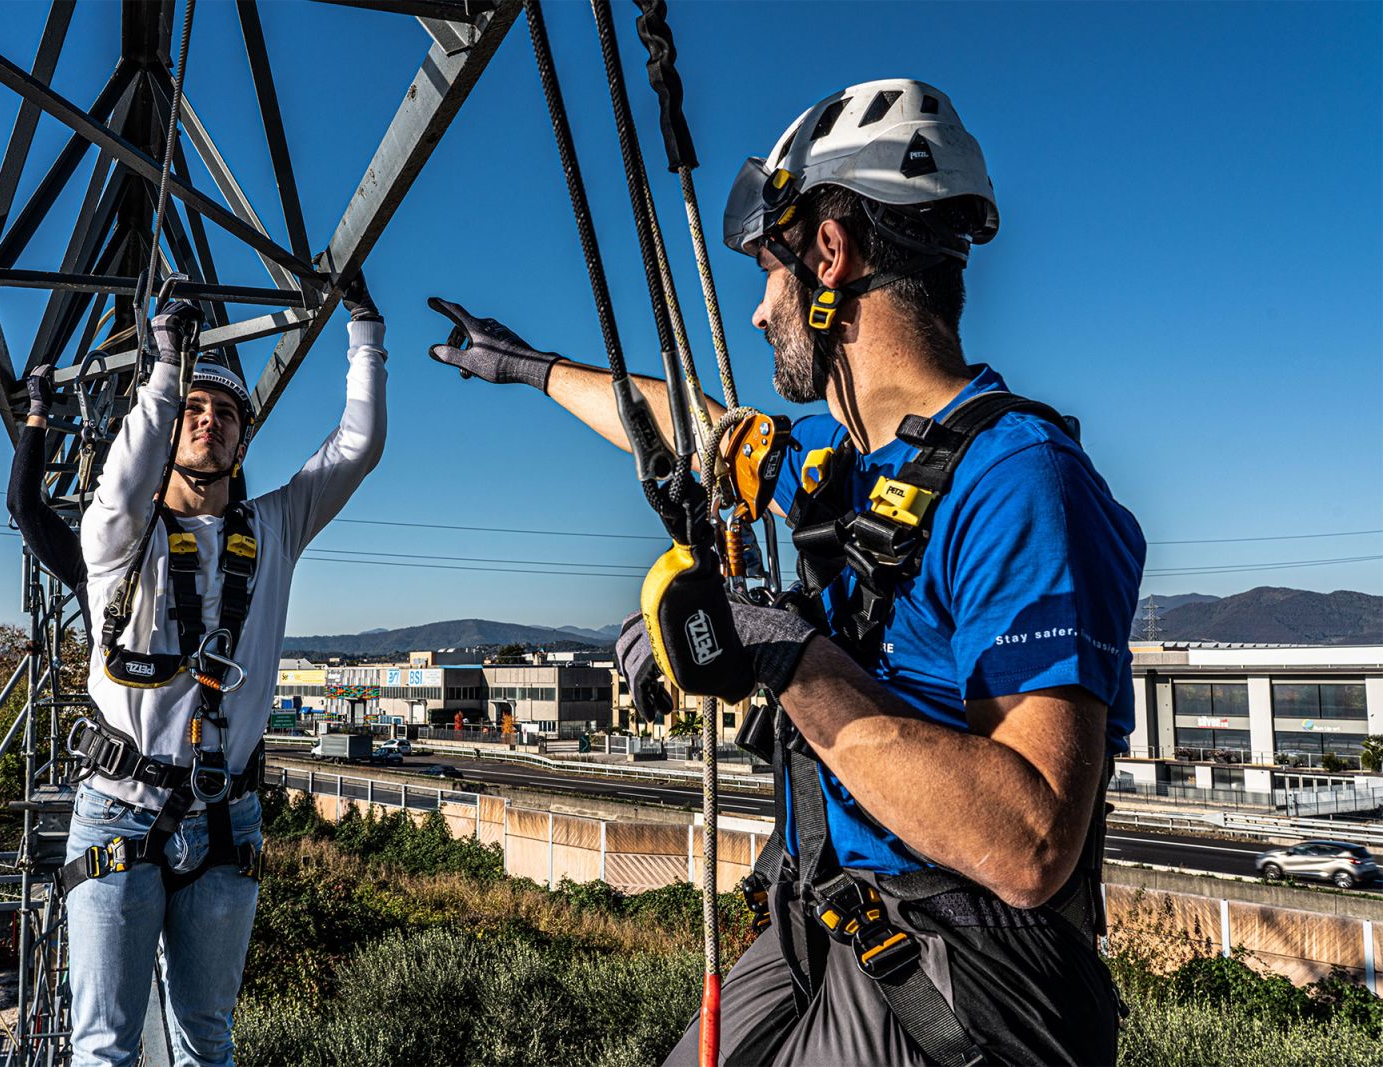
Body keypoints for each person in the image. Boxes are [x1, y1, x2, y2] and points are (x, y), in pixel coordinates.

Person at [428, 80, 1143, 1066]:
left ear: (828, 256)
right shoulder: (847, 467)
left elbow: (1029, 842)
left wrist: (784, 655)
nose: (761, 312)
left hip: (966, 967)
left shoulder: (1020, 483)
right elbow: (696, 429)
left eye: (768, 272)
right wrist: (531, 368)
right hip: (834, 917)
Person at [62, 276, 387, 1066]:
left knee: (207, 1043)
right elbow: (122, 479)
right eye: (194, 414)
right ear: (168, 426)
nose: (210, 423)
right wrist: (167, 371)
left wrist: (366, 332)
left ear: (243, 440)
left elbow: (356, 446)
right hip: (121, 811)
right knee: (104, 1047)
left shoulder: (273, 526)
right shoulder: (118, 537)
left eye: (227, 415)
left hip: (224, 821)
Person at [7, 364, 90, 628]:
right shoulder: (99, 569)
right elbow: (23, 505)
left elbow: (23, 506)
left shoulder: (95, 572)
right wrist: (38, 410)